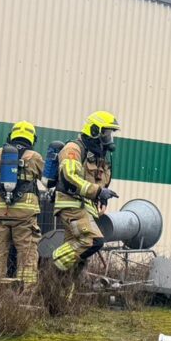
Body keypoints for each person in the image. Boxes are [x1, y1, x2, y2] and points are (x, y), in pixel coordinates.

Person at [51, 111, 120, 273]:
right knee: (92, 241)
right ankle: (51, 263)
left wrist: (102, 198)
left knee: (78, 258)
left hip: (85, 208)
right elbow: (69, 177)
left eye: (110, 134)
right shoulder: (73, 149)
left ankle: (62, 287)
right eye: (106, 133)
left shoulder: (97, 156)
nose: (109, 138)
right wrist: (98, 192)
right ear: (94, 131)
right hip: (71, 204)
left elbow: (99, 182)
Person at [0, 121, 45, 285]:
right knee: (27, 252)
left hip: (0, 212)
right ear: (32, 138)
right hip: (25, 215)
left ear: (11, 136)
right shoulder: (34, 157)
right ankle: (26, 292)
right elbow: (47, 179)